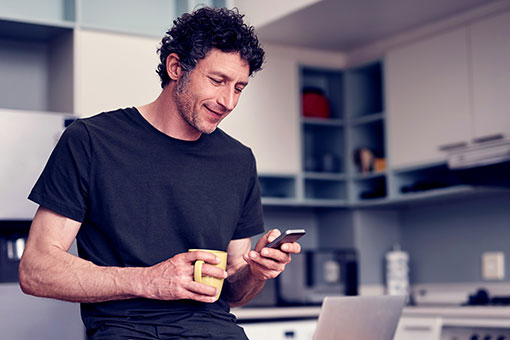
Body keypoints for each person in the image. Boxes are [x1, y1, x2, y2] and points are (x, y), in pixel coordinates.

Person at [18, 7, 301, 340]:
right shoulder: (91, 141)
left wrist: (256, 272)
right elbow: (36, 270)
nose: (228, 101)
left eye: (239, 87)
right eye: (217, 80)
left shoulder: (239, 160)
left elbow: (232, 292)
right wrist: (150, 280)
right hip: (128, 332)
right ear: (176, 67)